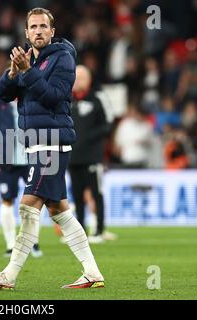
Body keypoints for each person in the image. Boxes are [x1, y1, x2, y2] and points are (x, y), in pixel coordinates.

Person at [0, 7, 104, 289]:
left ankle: (9, 275)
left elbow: (54, 96)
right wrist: (12, 73)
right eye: (33, 27)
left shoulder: (63, 58)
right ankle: (92, 272)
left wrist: (27, 71)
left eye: (43, 26)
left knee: (27, 206)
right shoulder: (26, 57)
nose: (38, 31)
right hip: (35, 142)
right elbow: (2, 95)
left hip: (53, 141)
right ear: (26, 32)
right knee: (59, 211)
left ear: (52, 31)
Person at [0, 93, 43, 258]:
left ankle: (33, 242)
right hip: (7, 159)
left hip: (32, 156)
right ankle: (10, 245)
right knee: (7, 199)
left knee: (37, 199)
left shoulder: (34, 95)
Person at [68, 65, 116, 243]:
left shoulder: (98, 97)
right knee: (77, 196)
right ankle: (80, 232)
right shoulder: (66, 99)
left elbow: (109, 122)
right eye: (76, 77)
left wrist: (90, 136)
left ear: (89, 79)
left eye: (81, 77)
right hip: (73, 156)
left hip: (93, 155)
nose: (78, 81)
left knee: (96, 193)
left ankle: (99, 230)